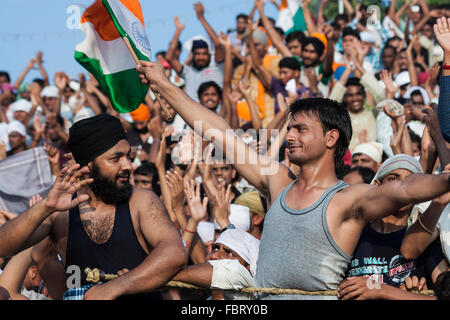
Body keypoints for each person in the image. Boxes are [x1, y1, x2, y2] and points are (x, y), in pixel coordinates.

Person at [137, 61, 450, 300]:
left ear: (331, 138)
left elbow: (406, 188)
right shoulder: (277, 182)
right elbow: (218, 132)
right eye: (290, 129)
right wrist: (164, 87)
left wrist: (444, 181)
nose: (289, 136)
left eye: (301, 129)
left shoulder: (348, 200)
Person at [0, 113, 186, 300]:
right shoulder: (61, 211)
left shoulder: (142, 201)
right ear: (88, 164)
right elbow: (4, 247)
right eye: (116, 158)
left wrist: (114, 287)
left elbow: (174, 252)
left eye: (128, 156)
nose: (128, 166)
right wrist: (45, 206)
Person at [339, 154, 449, 300]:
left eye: (411, 182)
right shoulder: (354, 233)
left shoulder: (423, 239)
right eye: (393, 179)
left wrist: (388, 292)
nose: (402, 187)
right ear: (377, 186)